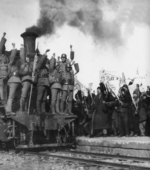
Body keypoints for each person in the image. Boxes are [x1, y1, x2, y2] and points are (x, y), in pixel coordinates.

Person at [6, 43, 21, 115]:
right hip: (13, 81)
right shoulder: (10, 64)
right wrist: (14, 48)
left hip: (16, 81)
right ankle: (9, 110)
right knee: (11, 96)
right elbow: (12, 57)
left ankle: (13, 109)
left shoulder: (15, 65)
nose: (16, 58)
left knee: (14, 96)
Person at [19, 45, 33, 113]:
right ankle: (21, 109)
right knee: (23, 95)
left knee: (28, 96)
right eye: (27, 57)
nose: (28, 59)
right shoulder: (23, 65)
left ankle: (26, 109)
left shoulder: (31, 65)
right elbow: (20, 72)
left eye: (29, 58)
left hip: (30, 81)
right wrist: (26, 72)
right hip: (25, 81)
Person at [36, 50, 50, 115]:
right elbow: (41, 62)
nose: (44, 61)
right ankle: (38, 111)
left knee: (44, 98)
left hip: (46, 83)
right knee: (39, 97)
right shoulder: (38, 65)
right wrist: (45, 53)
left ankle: (43, 111)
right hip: (41, 82)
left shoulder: (45, 67)